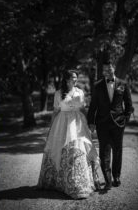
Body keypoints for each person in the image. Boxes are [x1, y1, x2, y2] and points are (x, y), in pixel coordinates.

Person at [38, 69, 100, 199]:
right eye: (73, 78)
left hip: (78, 125)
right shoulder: (58, 94)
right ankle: (59, 183)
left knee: (77, 151)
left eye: (76, 78)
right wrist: (50, 129)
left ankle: (78, 183)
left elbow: (83, 109)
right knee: (61, 151)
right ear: (66, 79)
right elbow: (55, 112)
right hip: (61, 125)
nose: (75, 80)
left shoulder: (80, 92)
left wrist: (90, 123)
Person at [87, 60, 134, 190]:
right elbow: (93, 106)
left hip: (118, 124)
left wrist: (125, 119)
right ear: (102, 72)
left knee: (117, 151)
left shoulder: (123, 84)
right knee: (104, 152)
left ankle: (116, 176)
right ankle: (107, 180)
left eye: (109, 68)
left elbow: (129, 105)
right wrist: (91, 122)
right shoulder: (97, 86)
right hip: (102, 124)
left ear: (114, 68)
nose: (107, 71)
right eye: (105, 70)